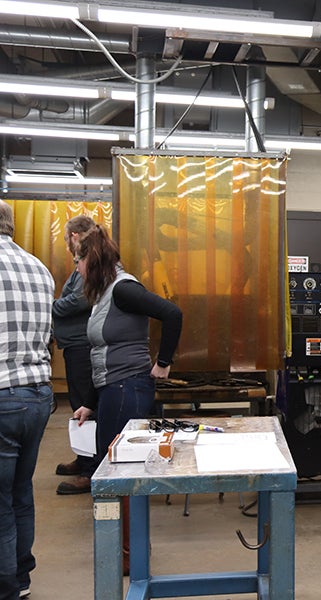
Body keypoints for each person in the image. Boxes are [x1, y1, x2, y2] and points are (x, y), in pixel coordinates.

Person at [70, 222, 182, 573]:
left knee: (120, 472)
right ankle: (124, 550)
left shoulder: (123, 289)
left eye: (78, 260)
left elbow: (172, 313)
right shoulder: (106, 294)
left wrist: (163, 363)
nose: (76, 268)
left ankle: (130, 555)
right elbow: (99, 355)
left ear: (92, 259)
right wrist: (89, 401)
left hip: (128, 389)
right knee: (114, 471)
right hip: (113, 390)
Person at [0, 200, 55, 599]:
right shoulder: (40, 268)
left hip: (2, 392)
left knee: (1, 500)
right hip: (37, 394)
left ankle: (7, 585)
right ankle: (21, 578)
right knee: (21, 492)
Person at [53, 215, 100, 495]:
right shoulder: (81, 262)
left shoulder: (90, 262)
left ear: (74, 236)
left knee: (86, 406)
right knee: (78, 404)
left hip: (83, 345)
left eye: (65, 239)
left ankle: (90, 469)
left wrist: (55, 306)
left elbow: (83, 297)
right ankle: (83, 458)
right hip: (74, 346)